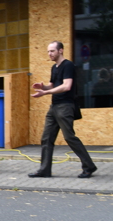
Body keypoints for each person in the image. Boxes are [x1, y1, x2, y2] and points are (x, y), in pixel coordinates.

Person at [30, 41, 97, 179]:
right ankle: (44, 170)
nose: (49, 54)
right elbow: (53, 85)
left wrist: (46, 93)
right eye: (48, 51)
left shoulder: (68, 65)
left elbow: (67, 86)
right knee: (46, 138)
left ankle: (89, 166)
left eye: (52, 51)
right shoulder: (54, 67)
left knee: (69, 137)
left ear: (61, 51)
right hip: (54, 107)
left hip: (65, 106)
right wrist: (43, 87)